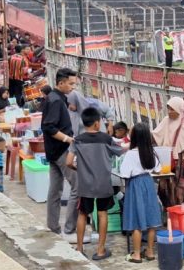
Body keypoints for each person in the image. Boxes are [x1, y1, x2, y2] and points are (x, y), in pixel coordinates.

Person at [66, 107, 124, 259]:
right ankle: (100, 250)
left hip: (85, 184)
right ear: (97, 124)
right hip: (104, 183)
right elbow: (120, 151)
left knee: (83, 213)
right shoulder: (106, 139)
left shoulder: (77, 140)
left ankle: (79, 249)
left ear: (84, 123)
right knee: (102, 213)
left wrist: (78, 169)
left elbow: (68, 162)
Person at [41, 68, 80, 242]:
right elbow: (49, 127)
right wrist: (68, 139)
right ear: (61, 82)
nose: (72, 87)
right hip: (61, 151)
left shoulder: (57, 98)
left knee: (55, 189)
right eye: (71, 84)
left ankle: (53, 227)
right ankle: (69, 228)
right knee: (77, 187)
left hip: (52, 151)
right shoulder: (55, 100)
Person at [120, 123, 162, 263]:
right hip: (149, 184)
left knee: (136, 221)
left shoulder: (131, 154)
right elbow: (158, 169)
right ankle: (150, 252)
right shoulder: (151, 152)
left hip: (135, 186)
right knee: (151, 221)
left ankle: (136, 254)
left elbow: (124, 173)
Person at [152, 97, 184, 206]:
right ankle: (170, 219)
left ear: (179, 109)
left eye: (172, 109)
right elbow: (155, 136)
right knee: (167, 194)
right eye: (169, 109)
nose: (170, 112)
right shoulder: (166, 121)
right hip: (169, 165)